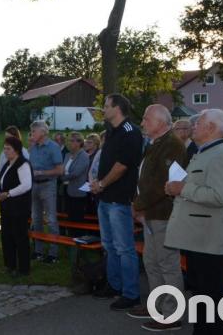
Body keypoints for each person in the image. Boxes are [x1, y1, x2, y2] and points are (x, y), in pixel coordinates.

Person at [165, 108, 223, 335]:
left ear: (211, 128)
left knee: (212, 297)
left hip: (211, 239)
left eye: (198, 123)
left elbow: (220, 196)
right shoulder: (205, 152)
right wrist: (179, 188)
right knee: (201, 294)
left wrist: (183, 188)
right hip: (199, 237)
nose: (193, 127)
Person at [129, 105, 188, 331]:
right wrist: (139, 204)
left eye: (146, 119)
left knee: (168, 264)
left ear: (161, 122)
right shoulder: (155, 144)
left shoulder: (172, 145)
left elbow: (162, 184)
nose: (142, 123)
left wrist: (138, 204)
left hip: (164, 213)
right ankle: (156, 306)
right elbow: (143, 178)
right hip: (151, 213)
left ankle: (172, 314)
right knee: (151, 262)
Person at [90, 94, 143, 311]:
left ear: (118, 108)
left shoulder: (130, 131)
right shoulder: (111, 131)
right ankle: (114, 285)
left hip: (119, 199)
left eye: (106, 105)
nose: (103, 109)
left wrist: (101, 184)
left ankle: (131, 293)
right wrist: (98, 184)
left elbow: (122, 166)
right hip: (105, 198)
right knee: (109, 246)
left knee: (124, 248)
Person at [0, 136, 33, 277]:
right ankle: (9, 265)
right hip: (6, 207)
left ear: (16, 150)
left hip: (19, 208)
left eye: (8, 149)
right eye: (4, 148)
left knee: (20, 237)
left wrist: (8, 194)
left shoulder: (23, 164)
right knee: (7, 236)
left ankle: (23, 268)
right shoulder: (8, 164)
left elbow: (26, 185)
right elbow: (4, 182)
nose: (5, 151)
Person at [28, 121, 64, 264]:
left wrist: (41, 172)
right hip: (34, 185)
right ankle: (38, 251)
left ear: (43, 132)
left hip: (48, 185)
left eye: (34, 131)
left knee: (51, 219)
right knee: (36, 218)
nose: (32, 134)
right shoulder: (33, 148)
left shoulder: (53, 147)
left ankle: (53, 253)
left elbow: (60, 170)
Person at [60, 132, 91, 236]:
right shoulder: (68, 155)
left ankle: (78, 245)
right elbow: (62, 169)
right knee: (69, 217)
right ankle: (70, 241)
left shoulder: (84, 156)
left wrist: (62, 176)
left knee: (77, 219)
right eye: (69, 140)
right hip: (66, 189)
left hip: (78, 192)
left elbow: (76, 173)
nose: (69, 143)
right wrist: (62, 174)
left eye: (71, 141)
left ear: (79, 143)